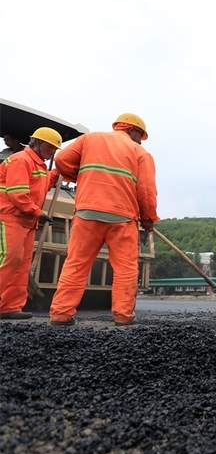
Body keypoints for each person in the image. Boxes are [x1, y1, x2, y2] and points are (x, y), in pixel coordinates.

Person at [49, 113, 159, 326]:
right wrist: (147, 218)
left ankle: (60, 315)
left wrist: (79, 175)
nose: (139, 140)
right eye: (140, 136)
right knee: (125, 268)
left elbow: (62, 160)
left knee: (76, 265)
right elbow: (146, 190)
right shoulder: (140, 152)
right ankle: (123, 316)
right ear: (132, 130)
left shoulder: (90, 139)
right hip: (122, 218)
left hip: (87, 213)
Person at [0, 128, 62, 319]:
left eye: (55, 148)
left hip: (26, 221)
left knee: (21, 264)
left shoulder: (39, 165)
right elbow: (17, 193)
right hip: (9, 217)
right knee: (9, 259)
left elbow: (44, 183)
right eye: (49, 146)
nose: (52, 150)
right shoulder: (21, 160)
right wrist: (38, 213)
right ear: (35, 142)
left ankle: (10, 307)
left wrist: (60, 170)